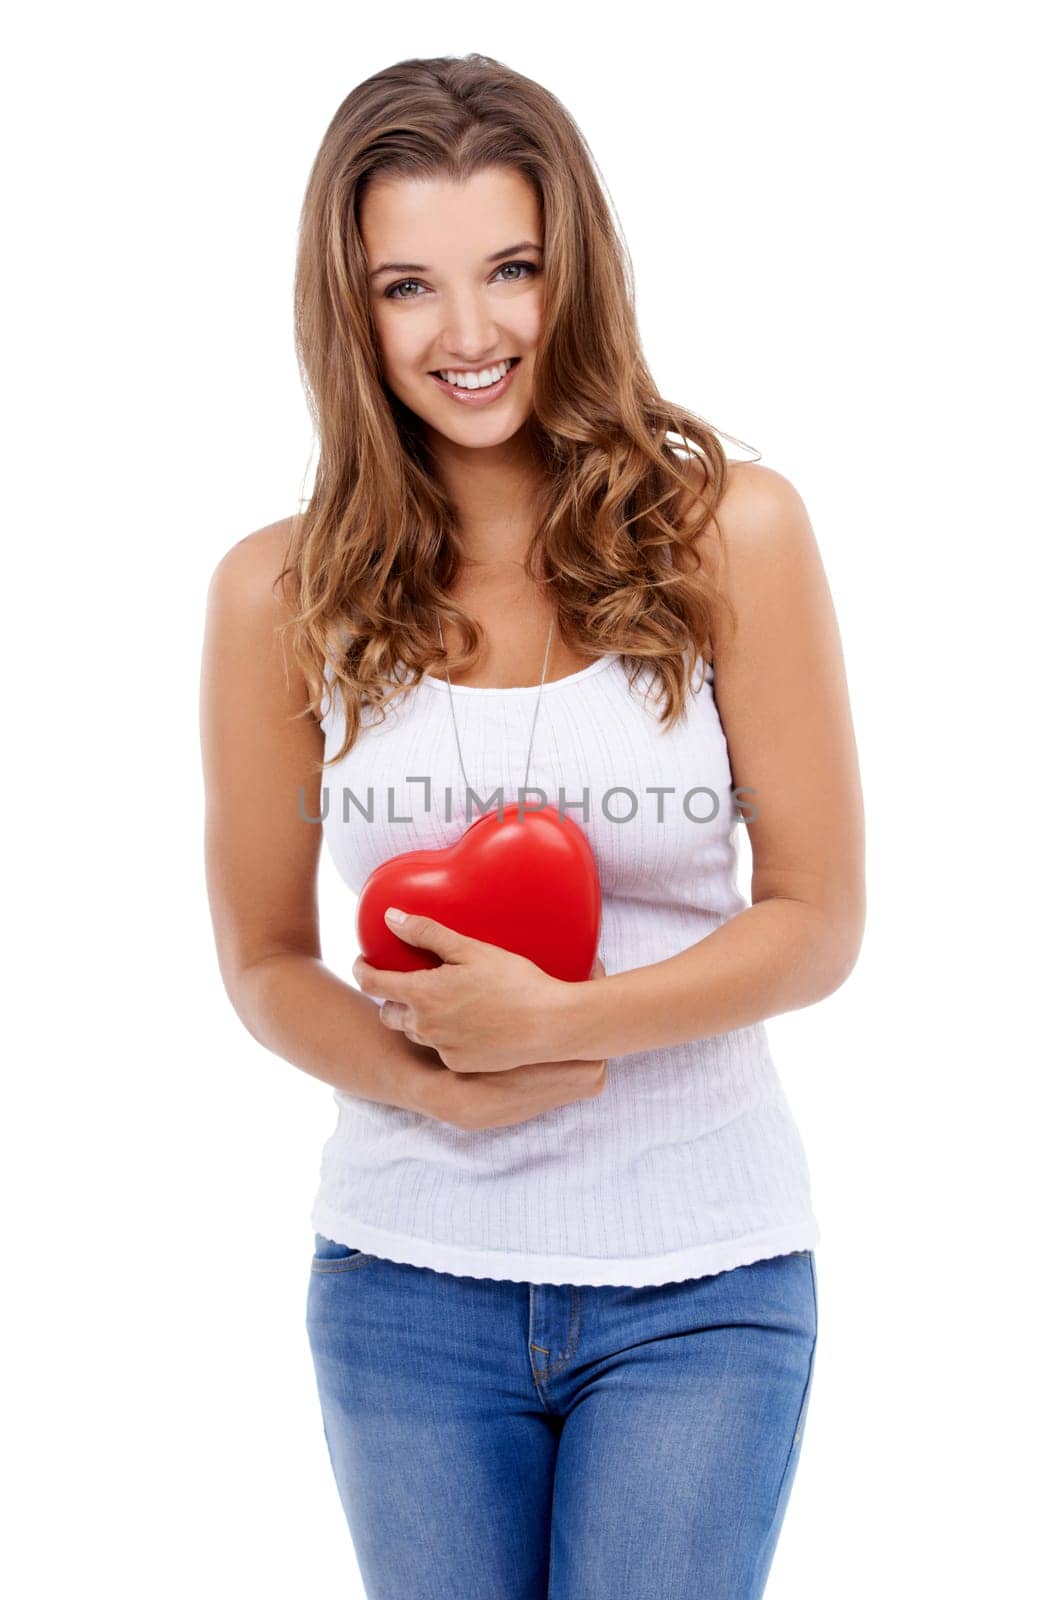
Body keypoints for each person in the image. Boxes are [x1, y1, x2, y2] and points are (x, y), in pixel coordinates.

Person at [199, 52, 864, 1600]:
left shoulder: (730, 533)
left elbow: (817, 919)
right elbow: (262, 955)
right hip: (403, 1283)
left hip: (700, 1280)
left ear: (577, 271)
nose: (471, 333)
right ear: (348, 311)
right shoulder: (273, 592)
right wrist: (429, 1090)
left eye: (512, 268)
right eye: (408, 286)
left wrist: (567, 1022)